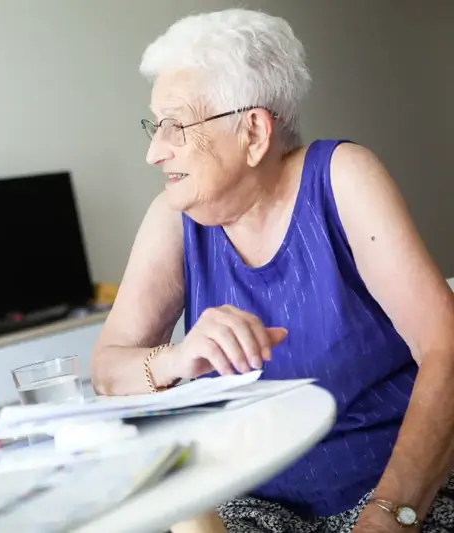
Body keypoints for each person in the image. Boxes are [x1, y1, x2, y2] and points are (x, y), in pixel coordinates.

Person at [91, 8, 454, 533]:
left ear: (254, 132)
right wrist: (177, 357)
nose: (154, 151)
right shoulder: (174, 219)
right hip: (252, 506)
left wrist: (390, 515)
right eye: (155, 125)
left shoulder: (341, 179)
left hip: (388, 488)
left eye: (176, 126)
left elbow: (445, 346)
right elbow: (107, 369)